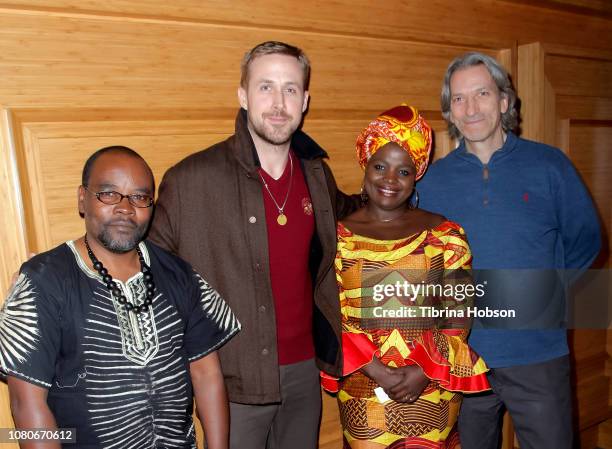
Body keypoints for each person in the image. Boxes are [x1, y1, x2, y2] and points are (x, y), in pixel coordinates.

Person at [148, 41, 358, 449]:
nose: (278, 102)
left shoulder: (316, 174)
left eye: (290, 89)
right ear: (242, 95)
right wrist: (74, 266)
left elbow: (352, 211)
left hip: (304, 371)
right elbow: (144, 266)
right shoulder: (192, 179)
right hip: (232, 377)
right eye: (265, 87)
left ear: (305, 100)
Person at [418, 52, 601, 449]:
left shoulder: (550, 165)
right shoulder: (430, 183)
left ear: (503, 102)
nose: (471, 108)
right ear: (449, 110)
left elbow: (587, 239)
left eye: (482, 93)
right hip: (463, 359)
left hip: (537, 355)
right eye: (460, 98)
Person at [0, 146, 240, 449]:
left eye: (140, 197)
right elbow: (26, 403)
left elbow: (207, 374)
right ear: (82, 199)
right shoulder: (42, 280)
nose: (126, 208)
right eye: (109, 194)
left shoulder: (180, 274)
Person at [321, 105, 489, 448]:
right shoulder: (337, 238)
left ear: (417, 176)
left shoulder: (446, 234)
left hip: (434, 384)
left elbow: (458, 313)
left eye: (404, 171)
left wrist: (422, 369)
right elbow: (329, 313)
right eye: (380, 166)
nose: (389, 180)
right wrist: (378, 371)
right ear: (365, 165)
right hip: (363, 387)